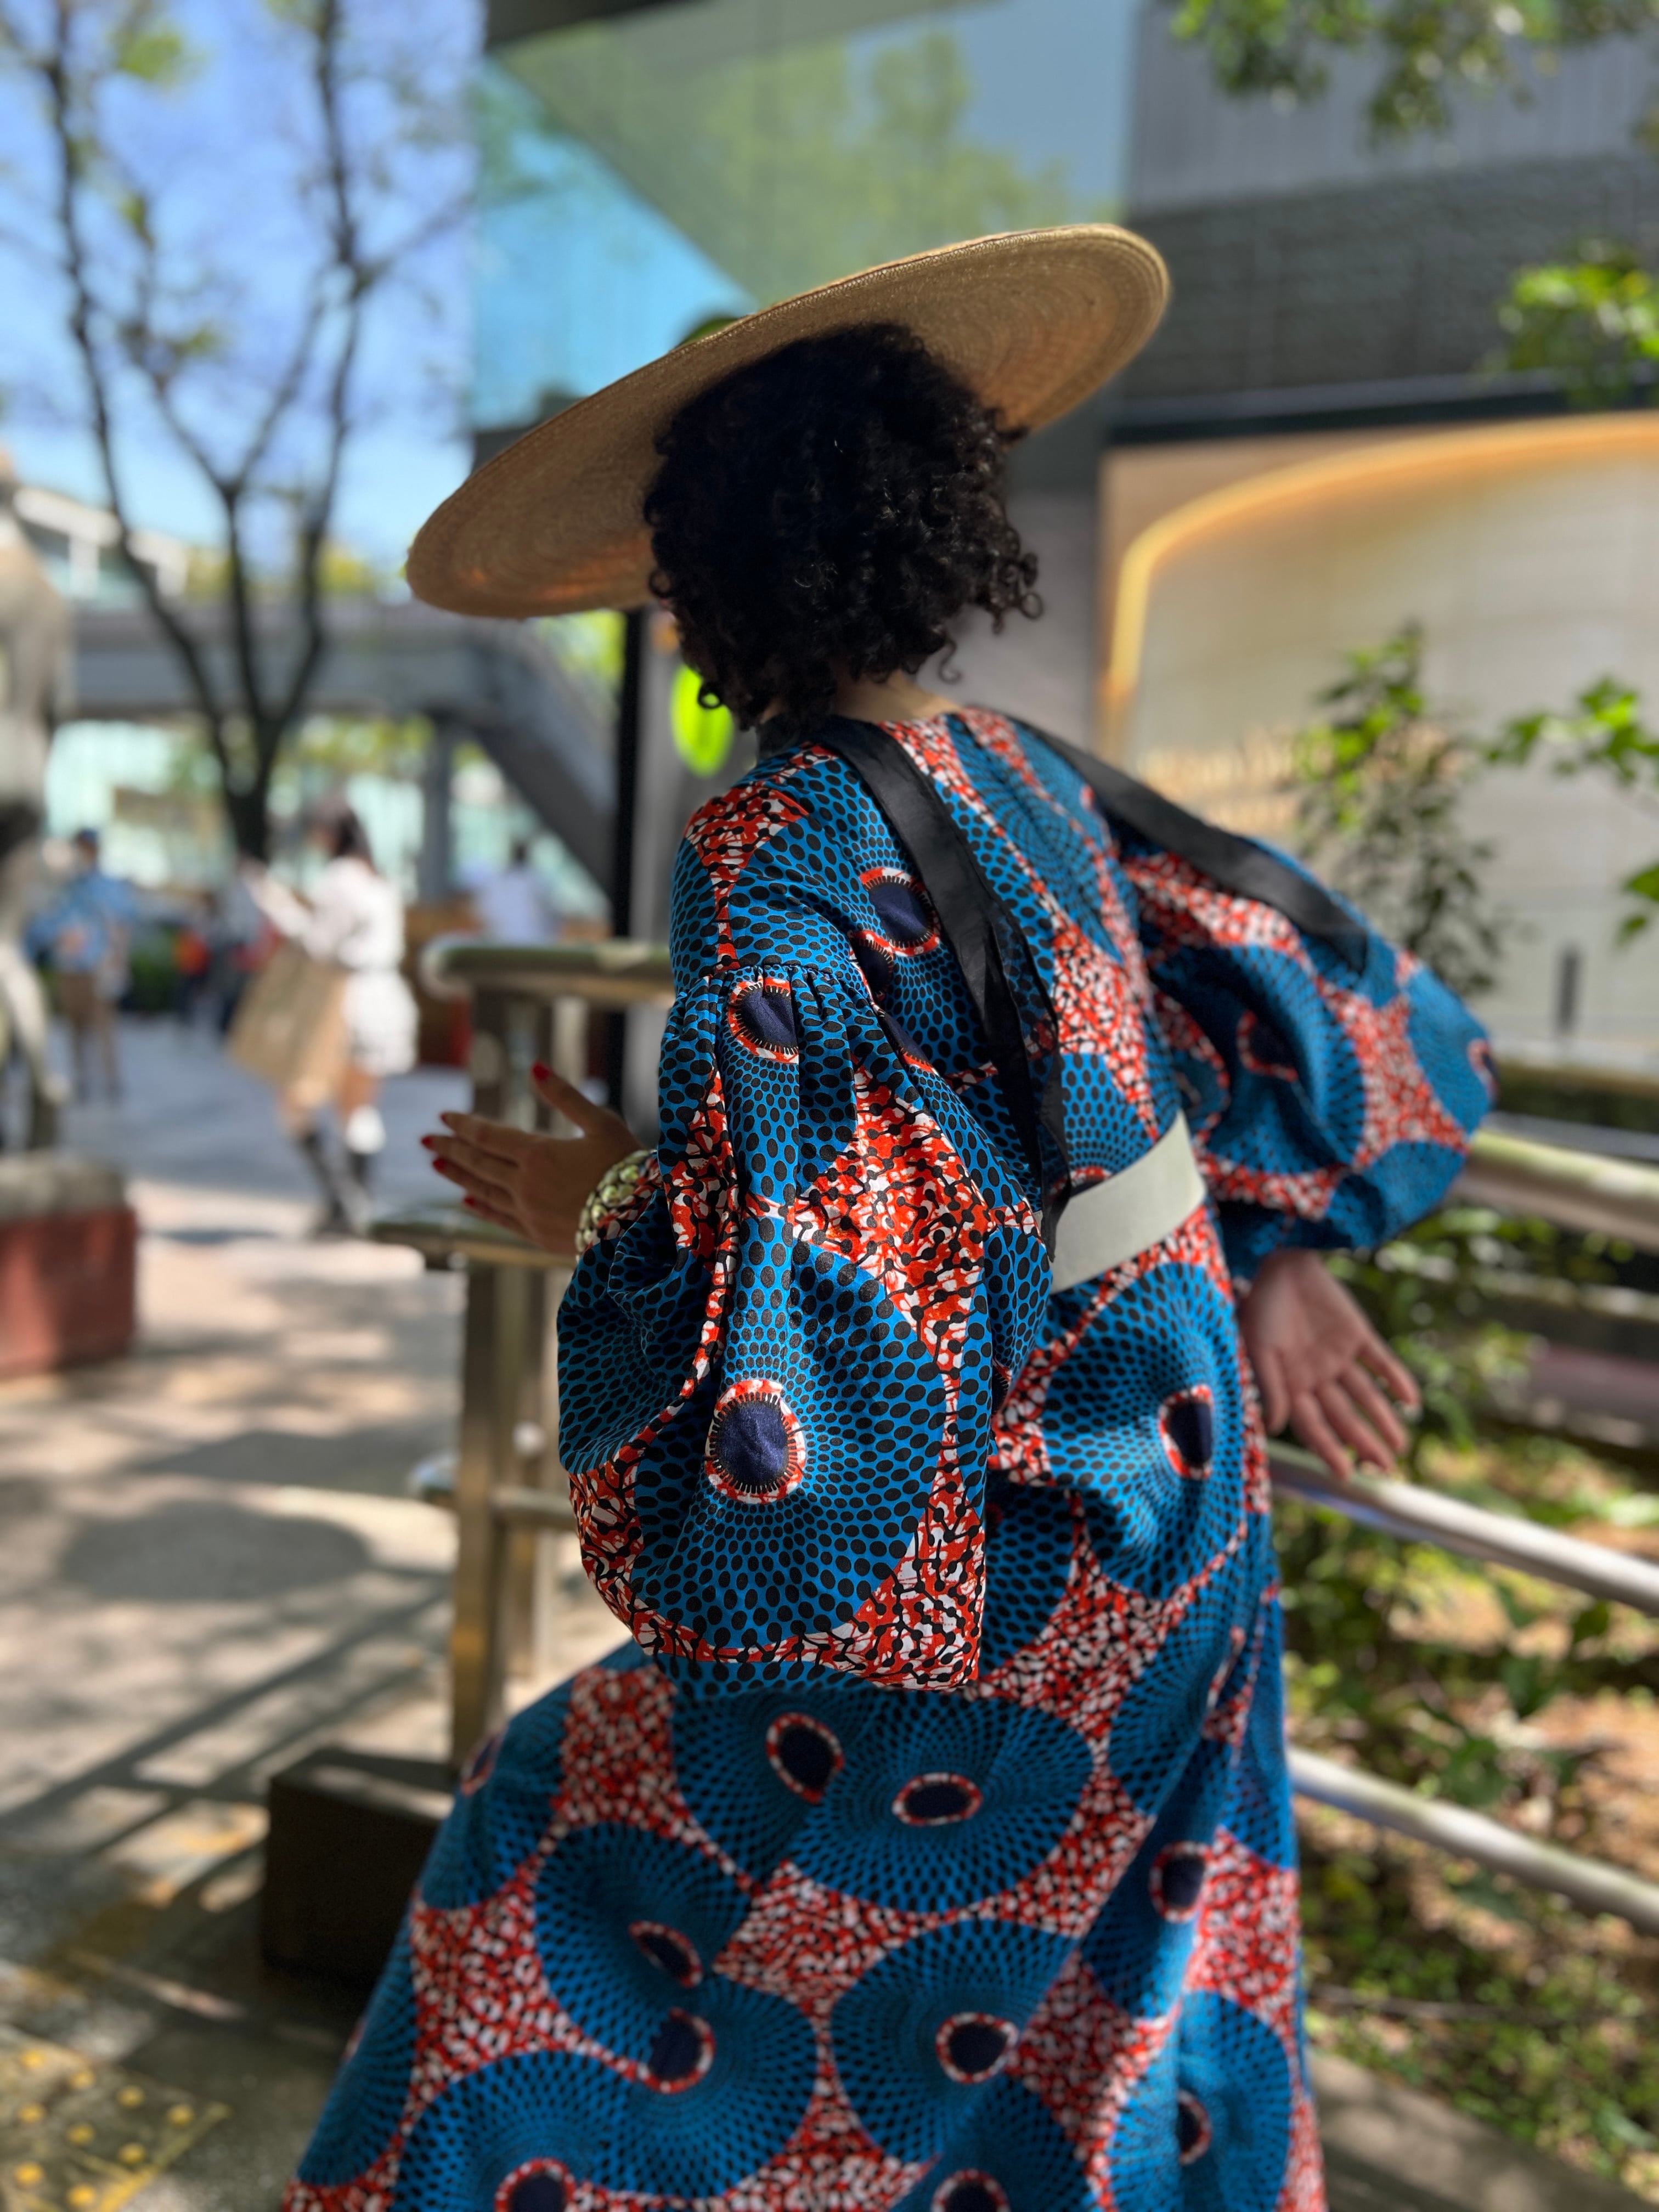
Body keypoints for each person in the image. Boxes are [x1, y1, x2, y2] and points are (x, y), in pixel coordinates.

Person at [289, 232, 1490, 2211]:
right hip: (1178, 1438)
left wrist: (608, 1205)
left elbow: (831, 1346)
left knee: (551, 1849)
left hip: (1016, 1515)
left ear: (714, 568)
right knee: (1104, 1978)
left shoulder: (774, 845)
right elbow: (1312, 986)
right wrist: (1279, 1239)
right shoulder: (1019, 771)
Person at [245, 796, 417, 1234]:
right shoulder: (380, 879)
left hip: (344, 1000)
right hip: (386, 998)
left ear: (327, 833)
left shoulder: (339, 879)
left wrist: (278, 905)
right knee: (358, 1108)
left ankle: (343, 1201)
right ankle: (357, 1204)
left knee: (296, 1102)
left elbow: (320, 945)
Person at [28, 828, 139, 1102]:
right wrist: (59, 936)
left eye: (87, 848)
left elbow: (125, 920)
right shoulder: (64, 886)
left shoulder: (108, 886)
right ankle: (82, 1080)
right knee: (75, 1029)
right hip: (69, 967)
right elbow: (42, 927)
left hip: (97, 967)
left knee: (104, 1028)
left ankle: (112, 1081)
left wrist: (118, 957)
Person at [472, 836, 562, 944]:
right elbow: (550, 916)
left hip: (505, 943)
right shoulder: (537, 881)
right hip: (530, 943)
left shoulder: (495, 882)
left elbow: (483, 913)